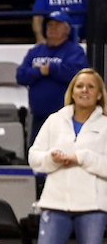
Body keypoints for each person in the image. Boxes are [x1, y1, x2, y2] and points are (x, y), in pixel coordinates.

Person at [21, 69, 107, 244]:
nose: (84, 90)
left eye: (90, 86)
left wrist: (81, 157)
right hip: (55, 204)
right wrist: (54, 158)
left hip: (92, 206)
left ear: (99, 93)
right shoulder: (55, 121)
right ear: (72, 90)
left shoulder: (105, 125)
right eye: (79, 85)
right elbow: (34, 158)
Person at [17, 12, 90, 145]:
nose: (52, 28)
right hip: (38, 116)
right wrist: (40, 71)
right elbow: (21, 75)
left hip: (66, 118)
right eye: (49, 25)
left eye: (57, 25)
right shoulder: (36, 51)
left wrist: (51, 69)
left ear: (67, 30)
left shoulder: (74, 51)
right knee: (37, 155)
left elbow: (76, 74)